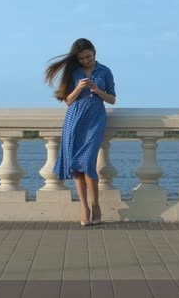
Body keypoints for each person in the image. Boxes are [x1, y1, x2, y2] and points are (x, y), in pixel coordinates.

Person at [45, 38, 116, 226]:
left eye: (88, 56)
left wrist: (97, 89)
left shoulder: (105, 71)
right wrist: (78, 88)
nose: (86, 60)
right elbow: (68, 101)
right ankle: (84, 207)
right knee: (77, 166)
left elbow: (112, 99)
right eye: (82, 58)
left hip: (95, 119)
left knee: (88, 161)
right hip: (74, 119)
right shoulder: (74, 73)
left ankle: (96, 205)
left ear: (94, 52)